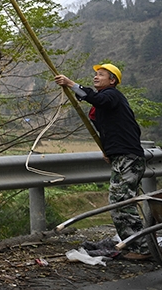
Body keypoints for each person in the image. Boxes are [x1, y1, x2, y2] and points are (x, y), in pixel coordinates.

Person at [54, 63, 151, 260]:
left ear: (112, 81)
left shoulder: (112, 95)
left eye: (101, 74)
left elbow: (96, 98)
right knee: (118, 202)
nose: (96, 77)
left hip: (128, 158)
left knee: (121, 202)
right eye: (96, 74)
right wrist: (110, 151)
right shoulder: (105, 103)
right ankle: (133, 244)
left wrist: (71, 83)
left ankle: (142, 249)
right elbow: (110, 127)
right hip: (121, 156)